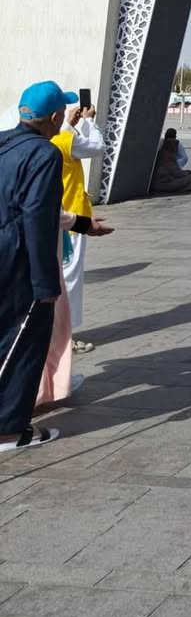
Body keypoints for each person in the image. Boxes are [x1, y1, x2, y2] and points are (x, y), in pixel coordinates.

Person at [0, 82, 75, 454]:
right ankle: (8, 431)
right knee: (24, 341)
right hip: (16, 260)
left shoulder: (3, 143)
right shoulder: (44, 154)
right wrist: (45, 284)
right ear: (56, 117)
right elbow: (37, 217)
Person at [51, 101, 105, 351]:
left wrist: (70, 125)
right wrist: (89, 121)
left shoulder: (48, 140)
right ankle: (65, 337)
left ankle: (56, 333)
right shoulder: (66, 140)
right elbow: (97, 146)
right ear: (55, 116)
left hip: (53, 217)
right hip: (71, 217)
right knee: (69, 277)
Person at [150, 128, 191, 194]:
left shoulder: (160, 147)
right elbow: (176, 172)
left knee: (190, 175)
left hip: (159, 182)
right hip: (162, 184)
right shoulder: (170, 155)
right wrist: (188, 173)